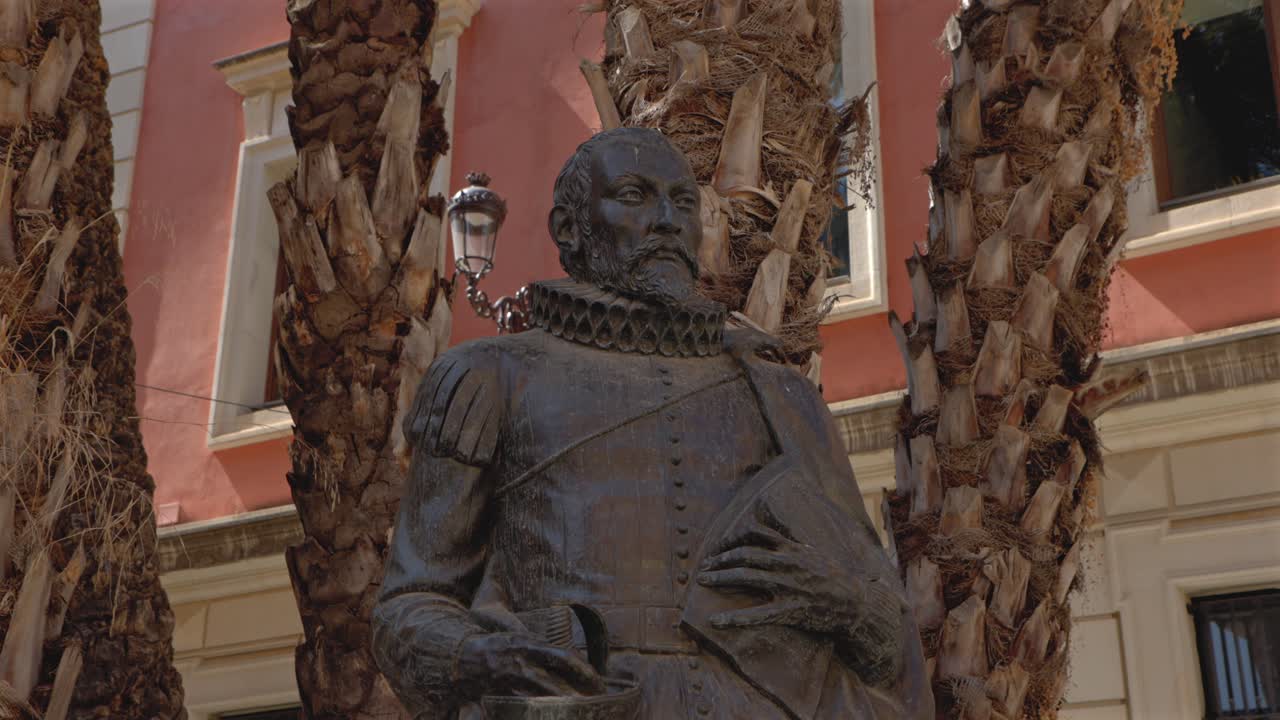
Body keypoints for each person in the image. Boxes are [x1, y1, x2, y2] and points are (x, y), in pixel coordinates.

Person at [372, 127, 932, 719]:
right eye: (635, 196)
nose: (667, 219)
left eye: (683, 203)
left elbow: (889, 633)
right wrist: (485, 656)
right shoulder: (487, 377)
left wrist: (847, 606)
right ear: (569, 230)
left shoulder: (780, 393)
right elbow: (411, 602)